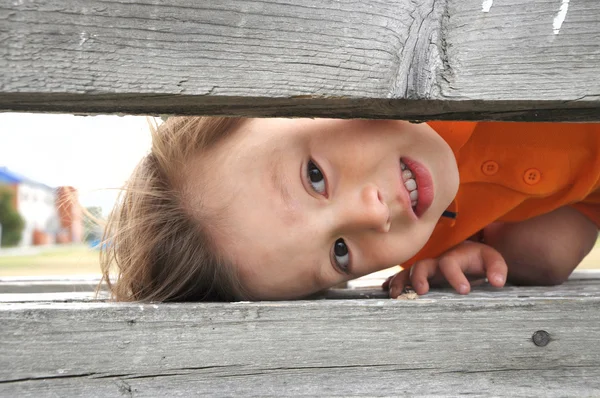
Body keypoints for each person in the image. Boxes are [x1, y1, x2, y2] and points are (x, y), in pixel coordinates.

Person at [100, 117, 600, 302]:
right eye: (341, 254)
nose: (372, 216)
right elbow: (571, 227)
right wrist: (511, 250)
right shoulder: (440, 233)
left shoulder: (433, 32)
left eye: (314, 175)